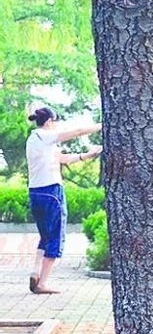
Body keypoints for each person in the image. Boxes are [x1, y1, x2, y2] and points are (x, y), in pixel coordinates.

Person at [25, 106, 102, 294]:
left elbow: (62, 159)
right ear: (49, 122)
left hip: (35, 192)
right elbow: (77, 132)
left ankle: (36, 272)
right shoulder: (46, 135)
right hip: (52, 191)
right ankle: (42, 283)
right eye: (56, 121)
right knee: (56, 237)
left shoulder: (34, 140)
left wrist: (86, 155)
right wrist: (103, 125)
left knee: (45, 235)